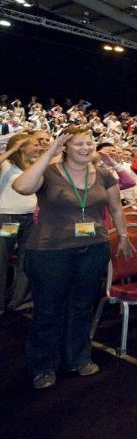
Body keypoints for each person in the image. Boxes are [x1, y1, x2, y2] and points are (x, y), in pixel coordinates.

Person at [13, 126, 136, 389]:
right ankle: (43, 366)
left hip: (93, 248)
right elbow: (22, 186)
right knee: (48, 309)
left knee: (82, 307)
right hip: (50, 251)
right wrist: (49, 153)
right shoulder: (49, 171)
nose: (86, 148)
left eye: (89, 143)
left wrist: (123, 236)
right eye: (78, 144)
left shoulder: (103, 175)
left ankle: (77, 359)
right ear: (66, 147)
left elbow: (115, 207)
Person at [1, 133, 43, 313]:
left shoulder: (34, 165)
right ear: (22, 146)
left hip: (30, 220)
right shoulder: (6, 164)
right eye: (34, 144)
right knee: (2, 259)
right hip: (8, 219)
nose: (38, 146)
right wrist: (11, 149)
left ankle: (17, 301)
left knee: (27, 260)